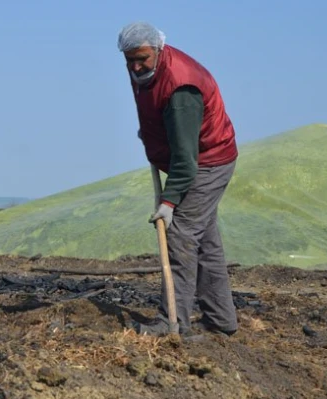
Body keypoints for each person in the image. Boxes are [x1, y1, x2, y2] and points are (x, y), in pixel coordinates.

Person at [117, 22, 239, 337]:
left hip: (207, 162)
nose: (135, 65)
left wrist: (169, 202)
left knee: (182, 236)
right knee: (206, 242)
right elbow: (160, 116)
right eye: (129, 59)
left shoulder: (180, 88)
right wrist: (152, 134)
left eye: (142, 58)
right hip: (191, 158)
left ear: (158, 49)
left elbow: (187, 160)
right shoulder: (143, 72)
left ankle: (172, 322)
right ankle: (222, 321)